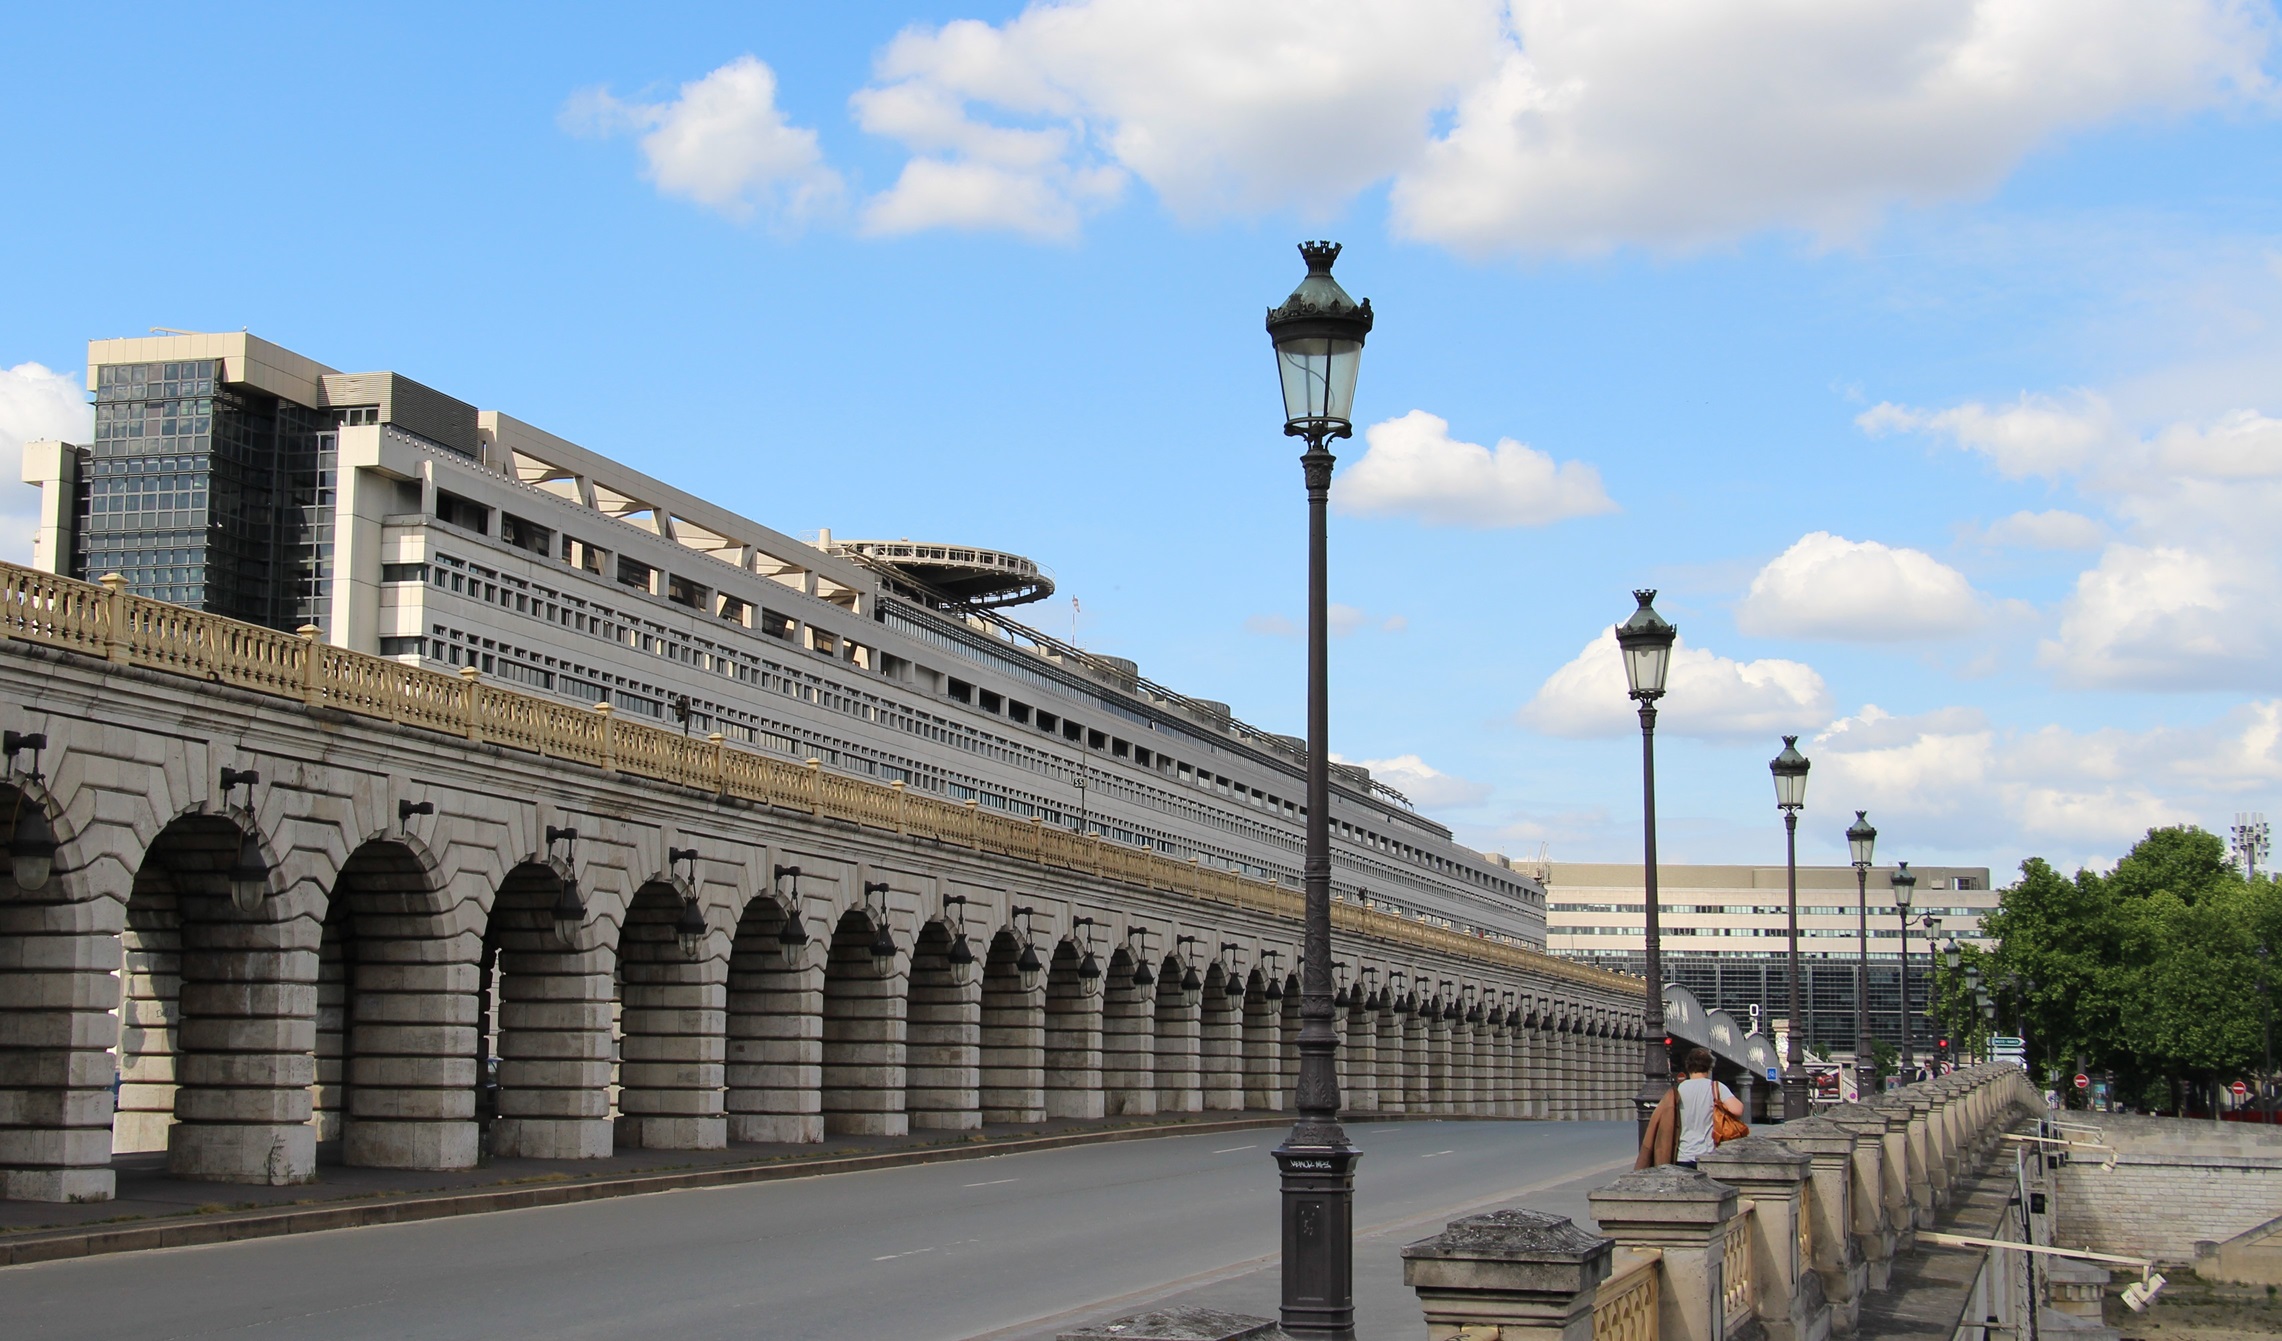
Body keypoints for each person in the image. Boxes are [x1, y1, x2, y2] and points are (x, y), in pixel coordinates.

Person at [1635, 1048, 1745, 1169]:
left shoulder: (1678, 1090)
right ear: (1709, 1068)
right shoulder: (1716, 1087)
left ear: (1688, 1067)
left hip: (1683, 1155)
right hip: (1708, 1155)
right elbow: (1737, 1109)